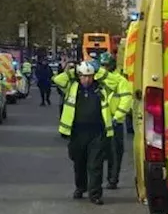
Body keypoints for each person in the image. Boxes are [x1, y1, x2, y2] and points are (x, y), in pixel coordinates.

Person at [54, 60, 130, 205]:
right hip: (77, 132)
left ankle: (95, 194)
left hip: (97, 133)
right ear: (79, 76)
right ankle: (80, 187)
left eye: (90, 76)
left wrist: (99, 71)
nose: (87, 79)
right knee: (79, 162)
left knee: (95, 164)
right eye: (83, 76)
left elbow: (117, 81)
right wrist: (72, 71)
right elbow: (58, 79)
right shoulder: (72, 86)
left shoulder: (101, 87)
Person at [96, 52, 131, 190]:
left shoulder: (120, 80)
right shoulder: (98, 79)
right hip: (99, 121)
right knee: (97, 153)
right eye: (102, 65)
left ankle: (112, 179)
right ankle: (96, 180)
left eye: (106, 65)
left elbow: (126, 99)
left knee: (115, 153)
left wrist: (118, 116)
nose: (104, 68)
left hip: (115, 122)